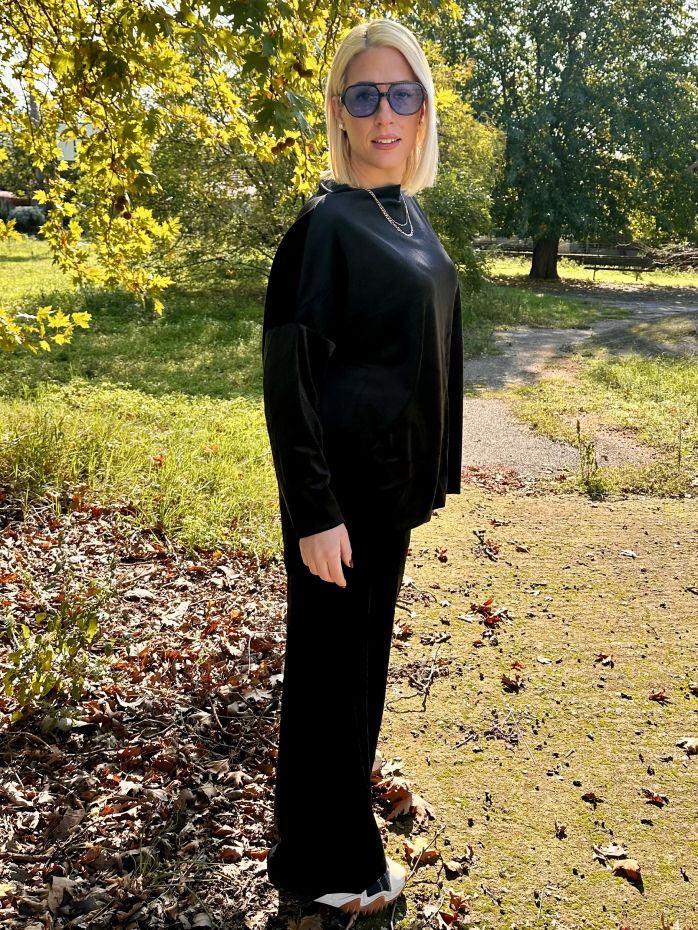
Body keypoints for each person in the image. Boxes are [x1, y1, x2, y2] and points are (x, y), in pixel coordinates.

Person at [262, 18, 464, 915]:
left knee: (354, 681)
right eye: (366, 95)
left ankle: (319, 853)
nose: (385, 113)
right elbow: (288, 377)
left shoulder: (407, 213)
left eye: (402, 94)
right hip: (338, 502)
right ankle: (328, 869)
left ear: (423, 110)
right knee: (330, 686)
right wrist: (313, 511)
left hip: (385, 497)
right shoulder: (326, 226)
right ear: (339, 111)